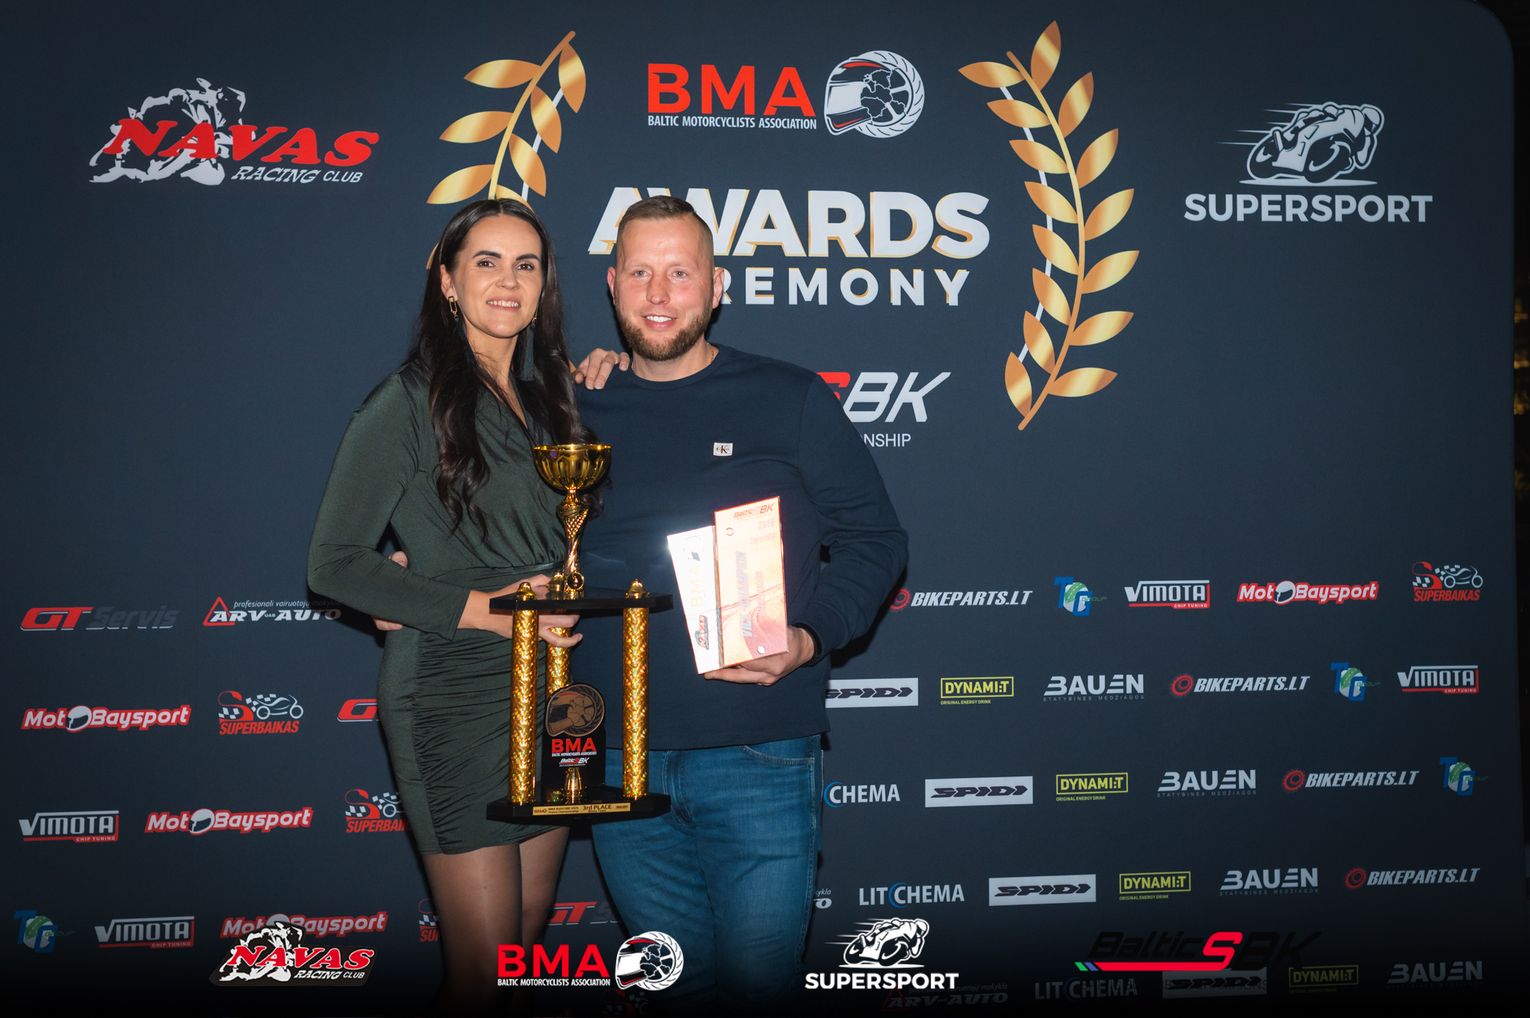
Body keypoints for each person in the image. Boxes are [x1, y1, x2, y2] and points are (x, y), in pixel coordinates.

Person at [575, 196, 908, 1013]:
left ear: (717, 285)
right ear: (613, 285)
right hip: (618, 755)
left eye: (680, 273)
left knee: (761, 988)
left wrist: (810, 637)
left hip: (758, 746)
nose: (659, 294)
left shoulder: (789, 398)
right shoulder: (573, 406)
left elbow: (875, 539)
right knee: (674, 990)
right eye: (640, 273)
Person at [307, 198, 587, 1013]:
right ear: (449, 283)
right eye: (486, 262)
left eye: (526, 265)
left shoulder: (549, 400)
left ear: (544, 286)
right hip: (452, 693)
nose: (508, 280)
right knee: (484, 967)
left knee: (524, 939)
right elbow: (334, 563)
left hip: (549, 692)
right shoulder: (405, 401)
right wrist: (478, 609)